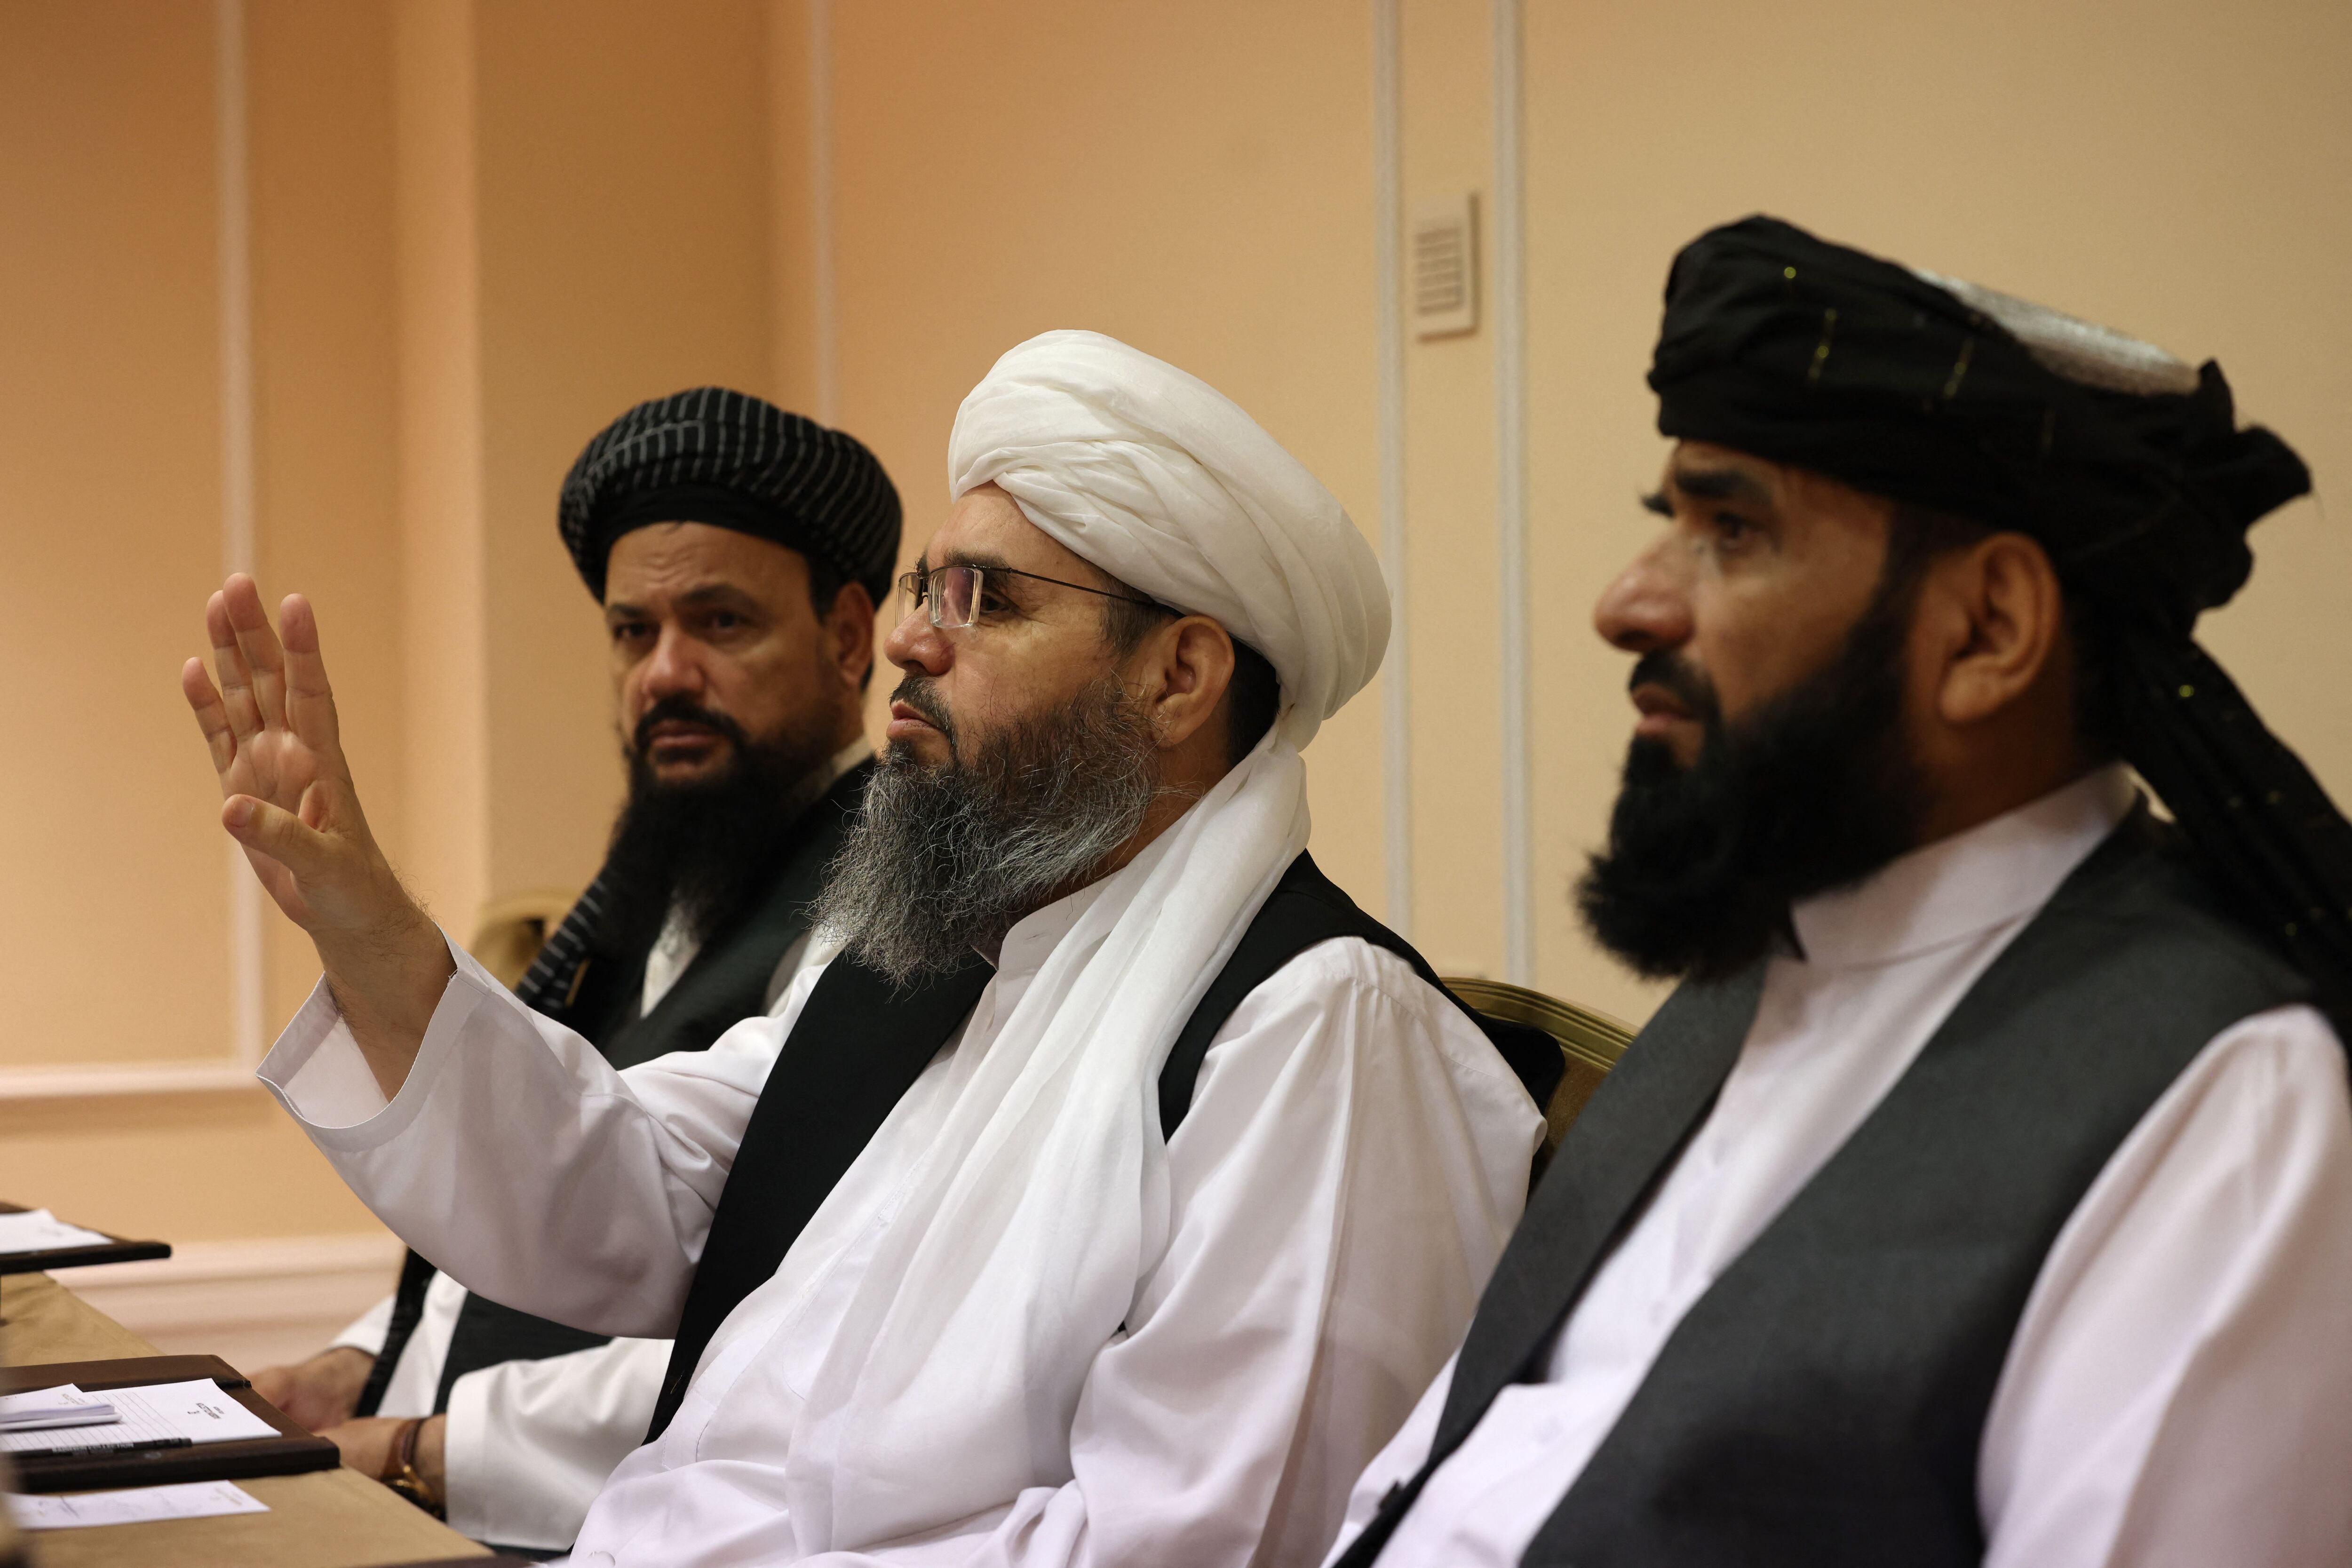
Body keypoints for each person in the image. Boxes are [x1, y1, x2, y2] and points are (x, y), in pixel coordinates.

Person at [185, 330, 1553, 1567]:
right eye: (924, 591)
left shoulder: (1322, 1034)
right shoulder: (930, 964)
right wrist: (369, 931)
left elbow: (1201, 1541)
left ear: (1178, 676)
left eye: (988, 601)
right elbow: (616, 1189)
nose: (908, 639)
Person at [1328, 216, 2352, 1567]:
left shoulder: (2222, 1098)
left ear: (1987, 628)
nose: (1627, 602)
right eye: (1669, 524)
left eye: (1733, 529)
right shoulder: (1746, 976)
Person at [245, 388, 901, 1552]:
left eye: (721, 623)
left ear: (848, 635)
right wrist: (365, 1363)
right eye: (632, 631)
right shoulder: (657, 881)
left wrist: (420, 1449)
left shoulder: (893, 907)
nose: (665, 673)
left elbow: (782, 1308)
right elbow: (542, 1170)